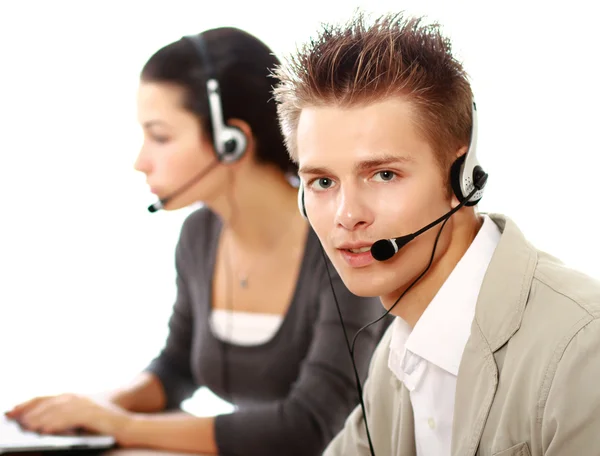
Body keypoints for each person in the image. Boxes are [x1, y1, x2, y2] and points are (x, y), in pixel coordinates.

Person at [5, 27, 391, 456]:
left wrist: (121, 425)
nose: (140, 161)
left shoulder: (342, 242)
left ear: (233, 141)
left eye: (161, 136)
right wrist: (94, 407)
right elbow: (176, 367)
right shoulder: (200, 236)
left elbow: (309, 426)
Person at [272, 11, 600, 456]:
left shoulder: (581, 351)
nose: (346, 217)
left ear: (461, 178)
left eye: (383, 174)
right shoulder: (401, 351)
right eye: (323, 182)